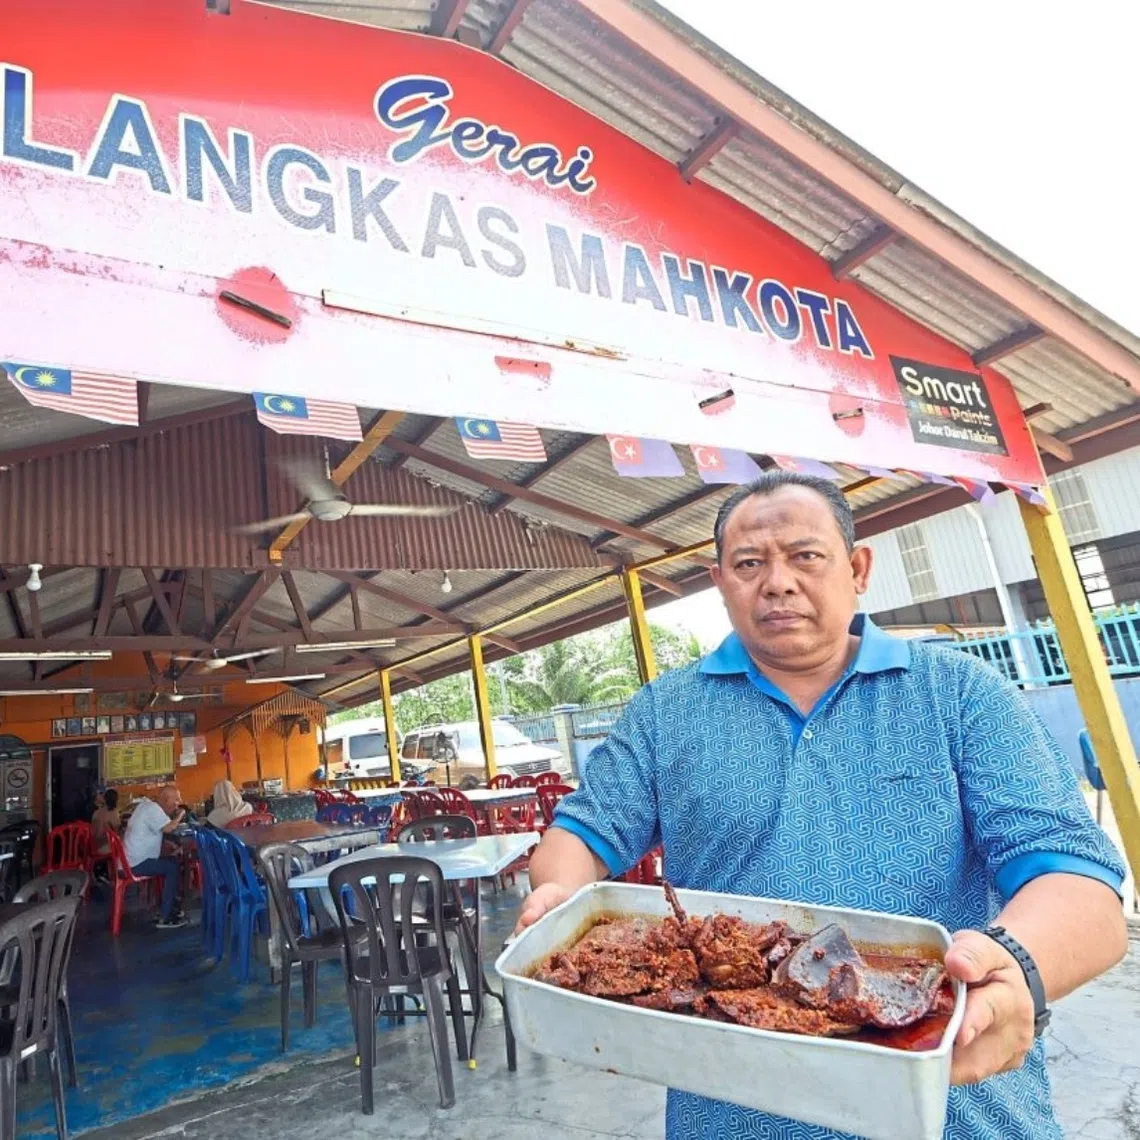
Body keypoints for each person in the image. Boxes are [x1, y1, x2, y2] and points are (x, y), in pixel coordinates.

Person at [519, 472, 1129, 1140]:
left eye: (805, 556)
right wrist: (558, 897)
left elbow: (1079, 889)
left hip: (954, 1100)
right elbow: (582, 833)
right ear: (719, 581)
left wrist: (1016, 968)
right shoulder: (665, 714)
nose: (777, 582)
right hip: (735, 1103)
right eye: (749, 564)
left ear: (857, 568)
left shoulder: (960, 693)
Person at [122, 785, 187, 929]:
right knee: (172, 868)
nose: (178, 802)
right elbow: (169, 828)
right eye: (175, 799)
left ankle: (170, 906)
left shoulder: (146, 806)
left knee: (173, 861)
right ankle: (166, 916)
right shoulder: (153, 809)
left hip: (130, 861)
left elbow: (153, 832)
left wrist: (169, 844)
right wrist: (181, 814)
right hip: (136, 864)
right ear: (164, 799)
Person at [90, 788, 121, 884]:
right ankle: (120, 873)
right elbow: (116, 833)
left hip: (93, 846)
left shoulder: (96, 812)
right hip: (105, 848)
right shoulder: (114, 813)